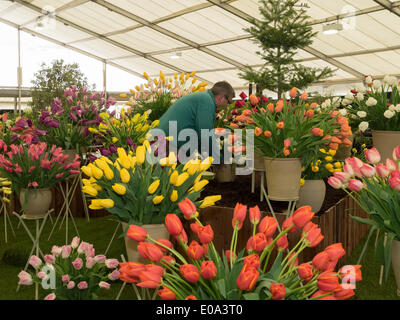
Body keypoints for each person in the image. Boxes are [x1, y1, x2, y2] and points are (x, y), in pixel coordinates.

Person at [157, 81, 235, 162]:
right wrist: (219, 159)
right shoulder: (206, 101)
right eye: (229, 102)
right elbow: (205, 134)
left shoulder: (203, 97)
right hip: (168, 144)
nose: (227, 105)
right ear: (222, 97)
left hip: (164, 140)